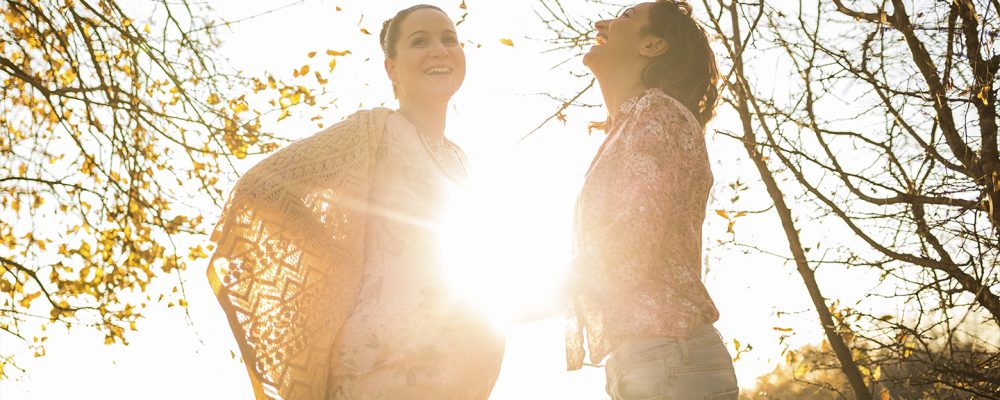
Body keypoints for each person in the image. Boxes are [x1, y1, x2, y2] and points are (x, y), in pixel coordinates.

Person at [206, 5, 503, 399]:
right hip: (379, 369)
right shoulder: (373, 130)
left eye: (450, 39)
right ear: (391, 69)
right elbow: (261, 188)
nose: (440, 49)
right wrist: (337, 255)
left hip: (449, 375)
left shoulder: (459, 158)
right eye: (420, 41)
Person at [566, 1, 739, 399]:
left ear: (653, 46)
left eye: (625, 17)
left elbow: (628, 246)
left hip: (670, 360)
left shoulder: (658, 115)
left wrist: (505, 307)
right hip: (652, 361)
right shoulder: (630, 126)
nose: (601, 22)